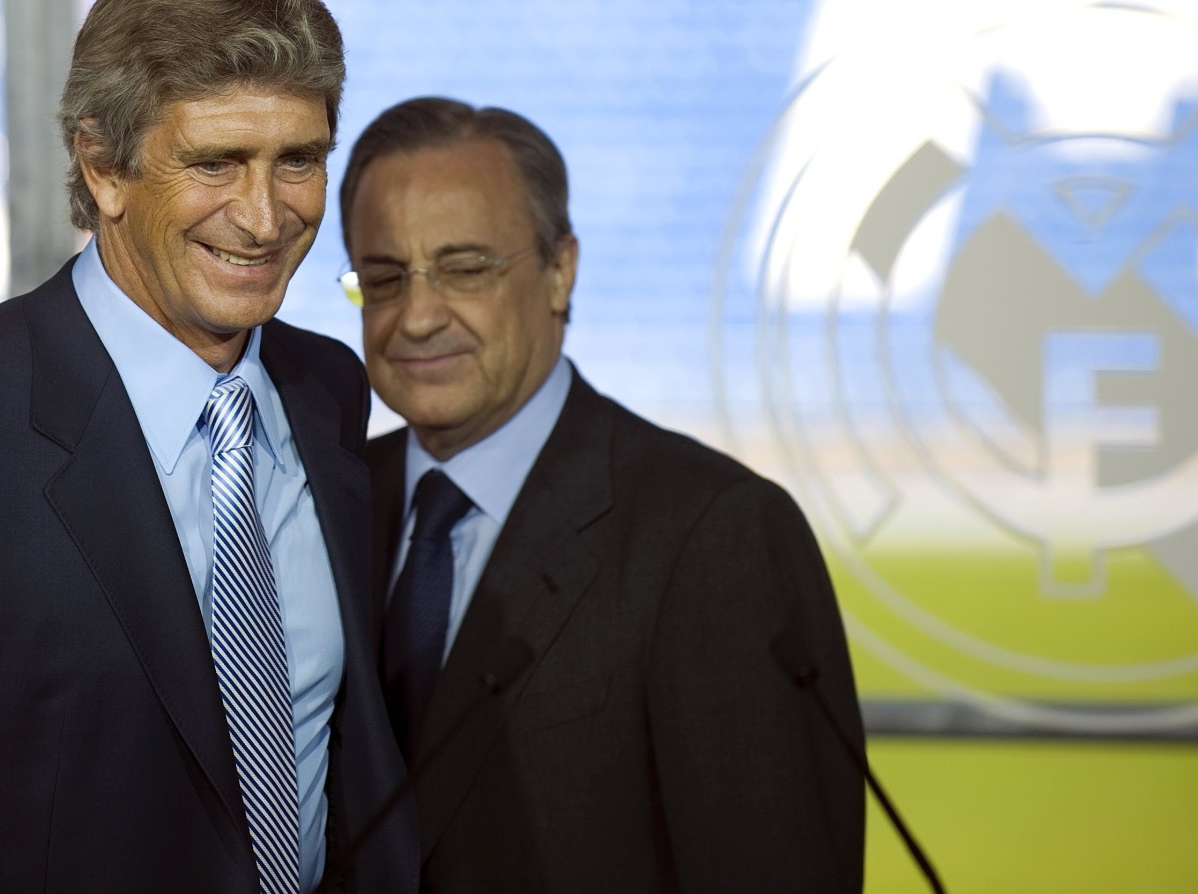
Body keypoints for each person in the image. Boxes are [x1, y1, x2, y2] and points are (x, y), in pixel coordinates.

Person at [0, 0, 417, 894]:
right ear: (104, 166)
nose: (264, 215)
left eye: (298, 160)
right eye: (216, 162)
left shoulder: (327, 391)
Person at [340, 96, 865, 893]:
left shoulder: (715, 535)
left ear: (560, 271)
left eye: (465, 269)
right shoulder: (328, 502)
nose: (416, 318)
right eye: (383, 279)